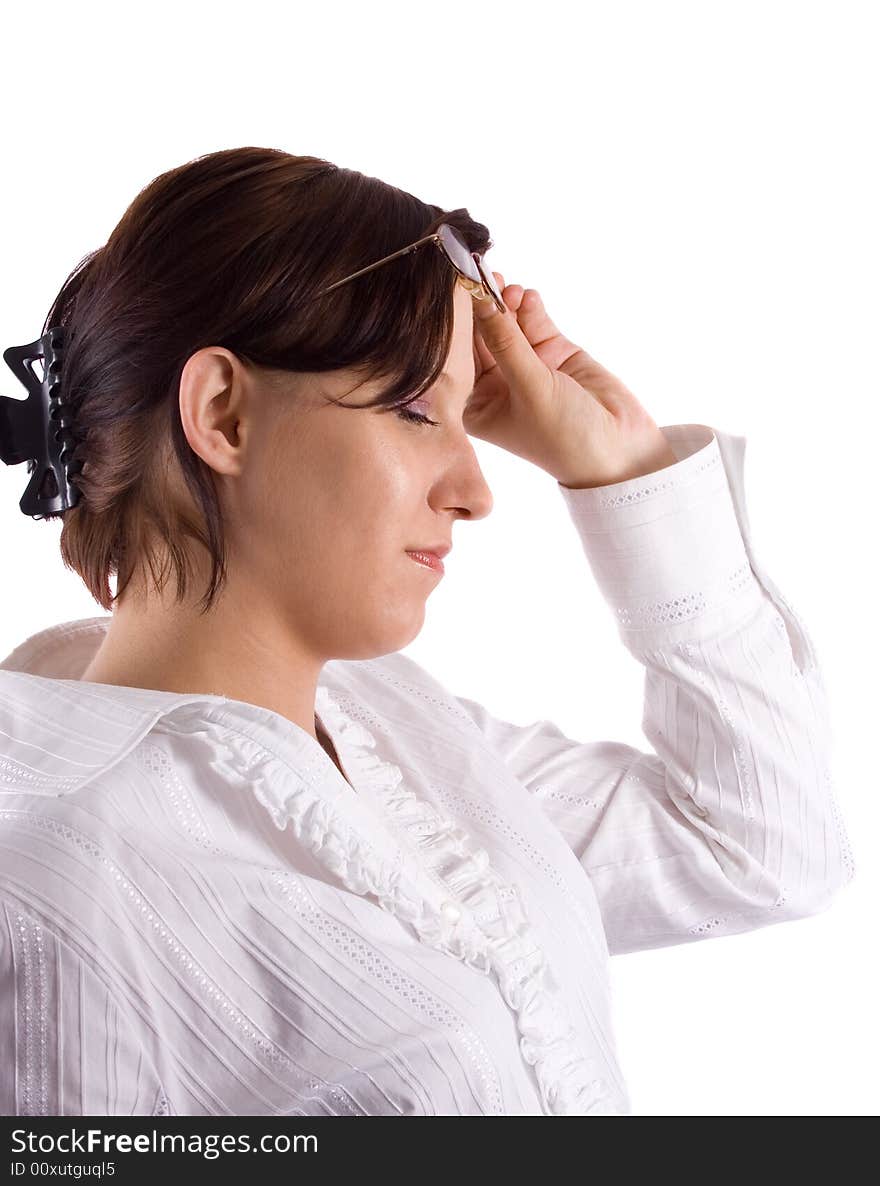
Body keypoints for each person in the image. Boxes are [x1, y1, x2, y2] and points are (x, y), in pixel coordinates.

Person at [0, 147, 854, 1117]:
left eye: (465, 417)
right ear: (223, 414)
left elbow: (764, 847)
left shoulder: (405, 737)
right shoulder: (54, 887)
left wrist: (620, 466)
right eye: (414, 412)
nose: (478, 488)